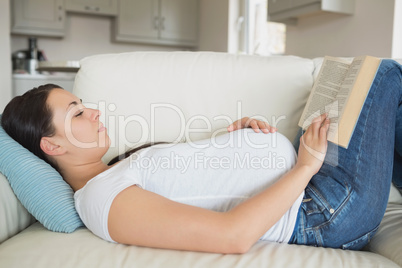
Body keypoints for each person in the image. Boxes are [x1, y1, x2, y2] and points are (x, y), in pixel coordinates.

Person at [2, 59, 401, 253]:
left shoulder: (117, 169)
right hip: (324, 212)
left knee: (366, 85)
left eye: (83, 104)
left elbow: (203, 184)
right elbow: (233, 236)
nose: (95, 112)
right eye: (77, 113)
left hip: (309, 182)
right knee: (384, 74)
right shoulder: (99, 198)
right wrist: (304, 166)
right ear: (52, 146)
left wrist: (237, 141)